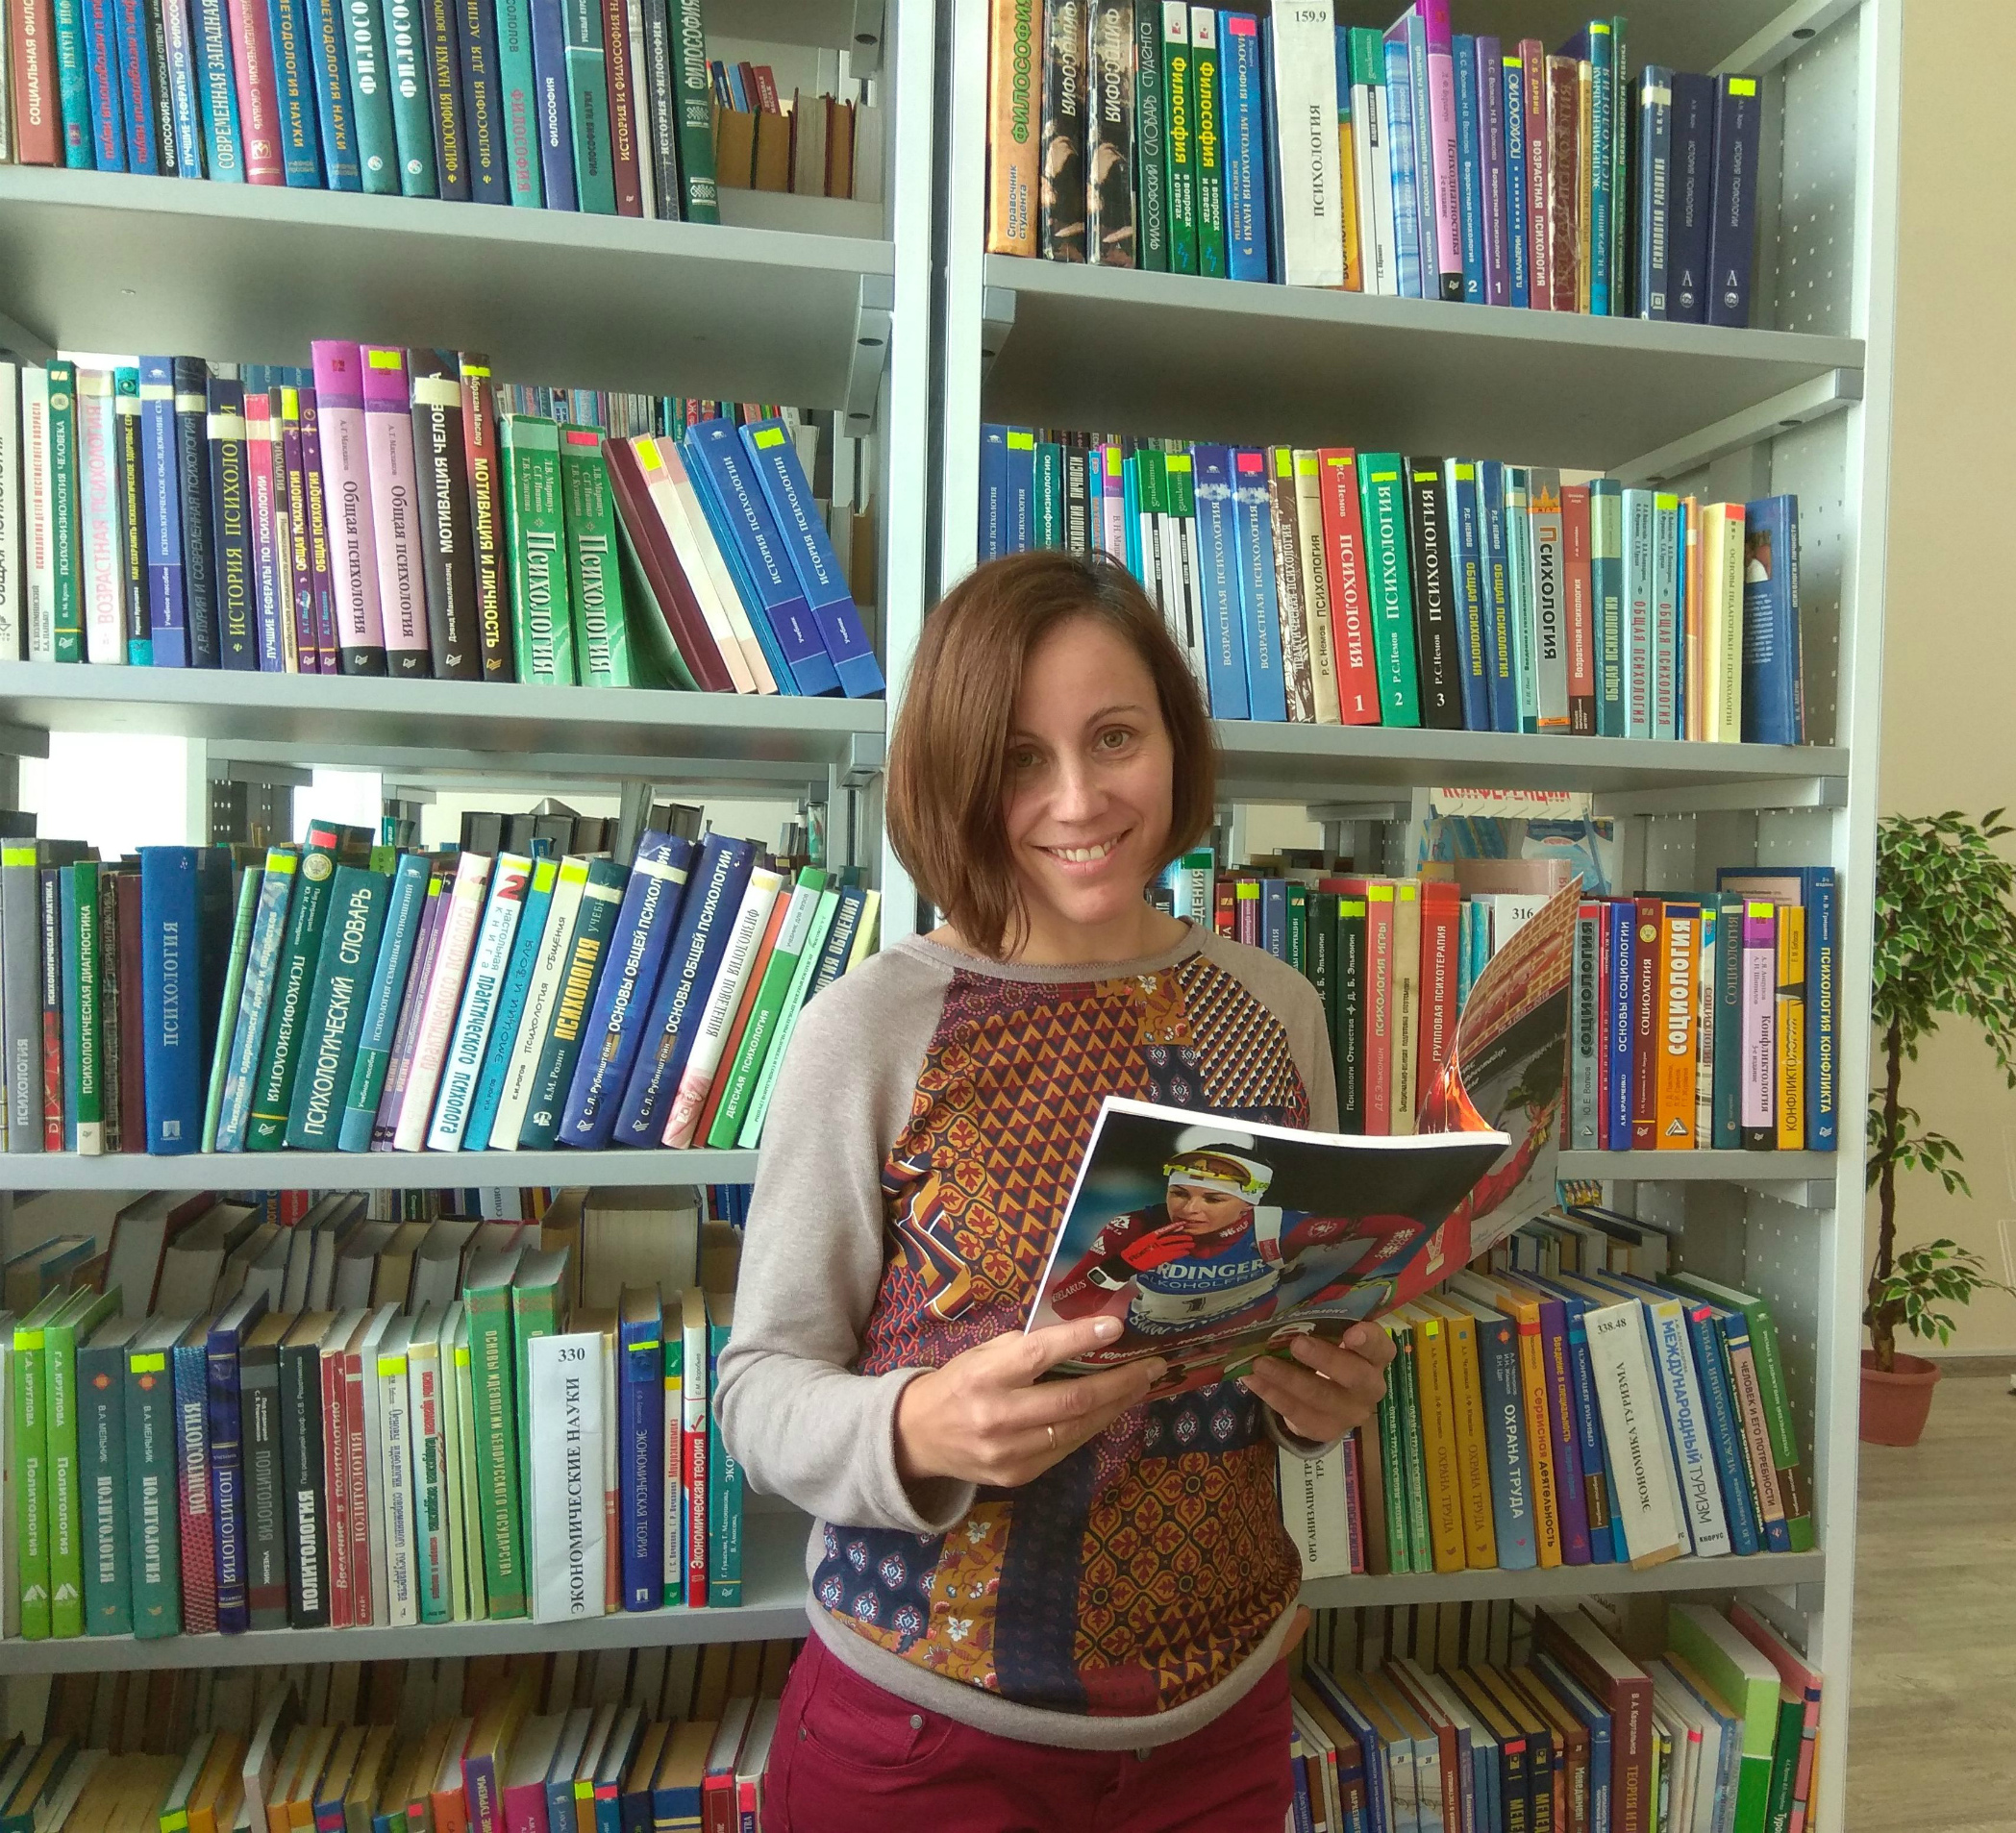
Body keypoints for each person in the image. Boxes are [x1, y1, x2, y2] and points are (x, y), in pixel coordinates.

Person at [716, 551, 1396, 1831]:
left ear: (1175, 741)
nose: (1079, 798)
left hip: (1223, 1714)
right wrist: (916, 1429)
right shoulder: (871, 1028)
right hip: (926, 1737)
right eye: (1020, 756)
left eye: (1115, 736)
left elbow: (1279, 1316)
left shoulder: (1275, 1007)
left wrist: (1331, 1391)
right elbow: (758, 1391)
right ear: (957, 772)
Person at [1044, 1125, 1427, 1356]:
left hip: (1236, 1359)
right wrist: (1120, 1267)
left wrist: (1344, 1285)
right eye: (1179, 1193)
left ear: (1247, 1205)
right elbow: (1066, 1306)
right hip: (1146, 1352)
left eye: (1213, 1199)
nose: (1190, 1210)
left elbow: (1401, 1226)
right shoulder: (1135, 1225)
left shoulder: (1276, 1227)